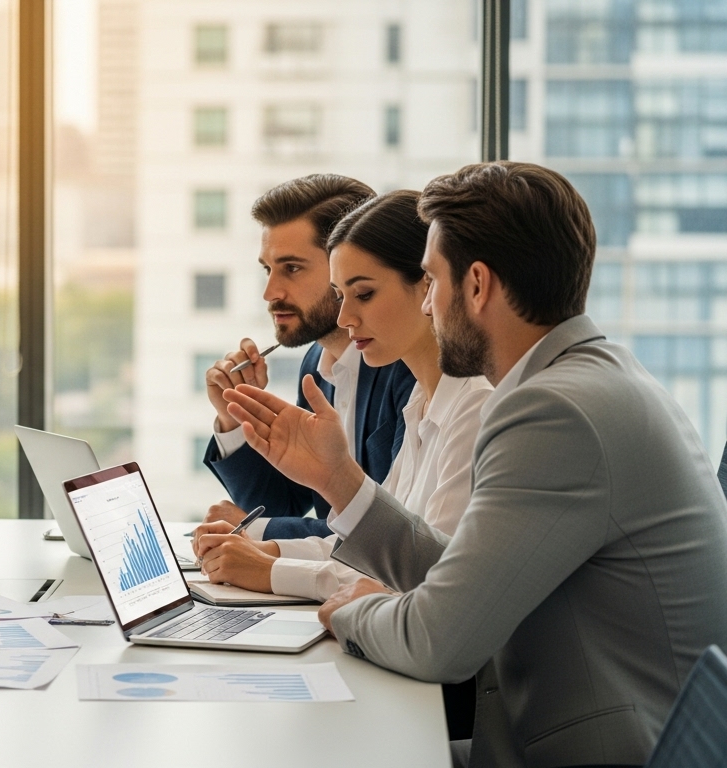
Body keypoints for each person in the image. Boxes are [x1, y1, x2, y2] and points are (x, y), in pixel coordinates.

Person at [222, 162, 727, 767]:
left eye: (432, 280)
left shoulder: (555, 411)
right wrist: (337, 480)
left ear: (478, 285)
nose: (428, 304)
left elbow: (439, 641)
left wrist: (350, 611)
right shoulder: (591, 378)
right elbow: (459, 573)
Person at [193, 190, 491, 602]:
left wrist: (271, 563)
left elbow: (424, 575)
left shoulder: (459, 399)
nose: (345, 315)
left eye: (362, 293)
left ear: (427, 284)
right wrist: (236, 419)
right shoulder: (414, 404)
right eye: (340, 293)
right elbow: (379, 547)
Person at [202, 174, 415, 540]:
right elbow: (285, 504)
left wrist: (256, 531)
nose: (270, 292)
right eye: (268, 269)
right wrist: (234, 418)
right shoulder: (316, 364)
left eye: (292, 268)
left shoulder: (406, 365)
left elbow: (395, 533)